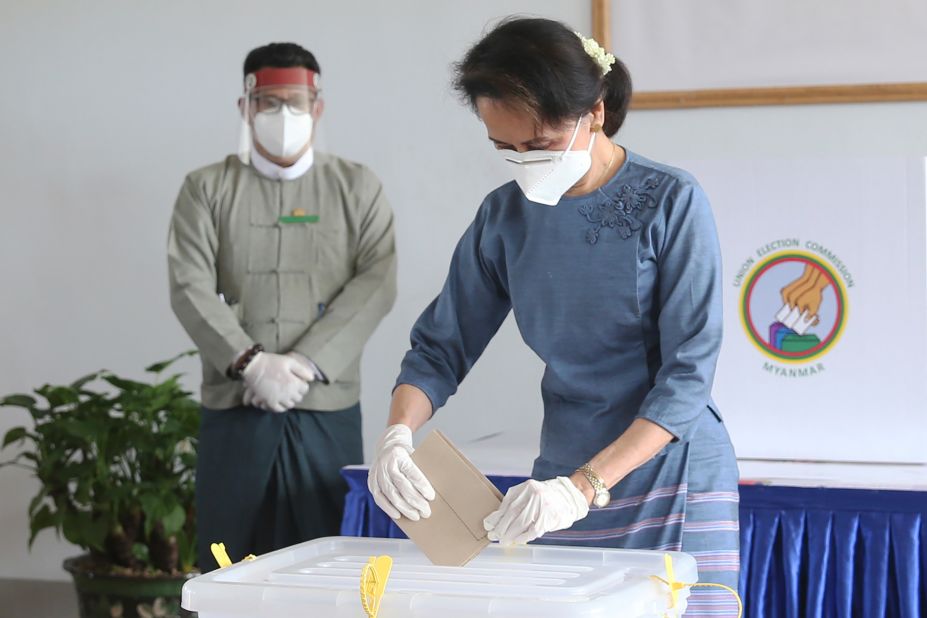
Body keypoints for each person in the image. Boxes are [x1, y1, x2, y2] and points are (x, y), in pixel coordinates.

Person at [367, 18, 739, 616]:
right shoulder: (505, 217)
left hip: (667, 468)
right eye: (503, 148)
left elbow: (688, 377)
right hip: (558, 475)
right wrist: (396, 435)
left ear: (594, 111)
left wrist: (585, 486)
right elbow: (441, 347)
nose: (522, 163)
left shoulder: (672, 200)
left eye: (537, 145)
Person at [168, 42, 397, 570]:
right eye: (269, 103)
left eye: (295, 102)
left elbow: (377, 281)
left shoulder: (356, 187)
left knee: (327, 557)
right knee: (229, 556)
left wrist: (304, 363)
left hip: (324, 404)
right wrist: (250, 363)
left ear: (318, 107)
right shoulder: (206, 189)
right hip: (236, 402)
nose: (283, 115)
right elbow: (189, 284)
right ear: (245, 107)